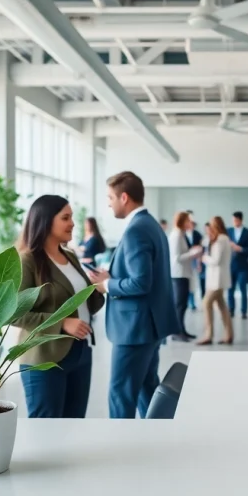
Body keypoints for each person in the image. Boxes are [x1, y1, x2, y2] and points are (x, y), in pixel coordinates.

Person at [87, 171, 181, 419]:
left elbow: (141, 282)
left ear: (124, 197)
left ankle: (121, 447)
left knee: (121, 394)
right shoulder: (150, 225)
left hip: (134, 329)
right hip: (148, 326)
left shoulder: (136, 230)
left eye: (110, 197)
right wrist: (113, 274)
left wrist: (107, 285)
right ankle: (155, 437)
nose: (108, 203)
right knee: (146, 388)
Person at [15, 195, 105, 419]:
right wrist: (62, 323)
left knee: (74, 425)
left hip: (80, 352)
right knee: (46, 428)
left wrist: (98, 287)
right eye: (65, 217)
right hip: (44, 358)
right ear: (45, 221)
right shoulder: (27, 261)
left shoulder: (70, 256)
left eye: (72, 217)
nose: (72, 223)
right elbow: (14, 313)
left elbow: (83, 302)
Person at [197, 216, 234, 345]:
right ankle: (229, 335)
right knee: (222, 306)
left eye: (212, 225)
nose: (210, 228)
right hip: (216, 278)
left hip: (217, 279)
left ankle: (209, 335)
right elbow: (206, 242)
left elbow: (216, 260)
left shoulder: (221, 239)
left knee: (206, 303)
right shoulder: (220, 238)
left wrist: (205, 258)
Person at [169, 211, 202, 341]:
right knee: (180, 304)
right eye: (188, 220)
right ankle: (177, 332)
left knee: (183, 304)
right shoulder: (176, 235)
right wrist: (193, 253)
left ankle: (181, 330)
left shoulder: (181, 234)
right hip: (178, 274)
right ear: (182, 221)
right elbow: (176, 258)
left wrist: (191, 252)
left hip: (184, 273)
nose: (190, 223)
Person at [227, 211, 248, 319]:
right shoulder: (228, 231)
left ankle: (244, 311)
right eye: (233, 220)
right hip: (231, 265)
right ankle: (231, 310)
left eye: (236, 220)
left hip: (243, 266)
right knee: (230, 289)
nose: (234, 222)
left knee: (243, 289)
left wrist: (241, 249)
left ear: (241, 220)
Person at [186, 212, 204, 310]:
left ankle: (192, 302)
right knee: (186, 282)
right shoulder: (182, 234)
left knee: (193, 283)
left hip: (194, 261)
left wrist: (199, 263)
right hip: (185, 260)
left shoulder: (197, 235)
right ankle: (188, 301)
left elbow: (201, 249)